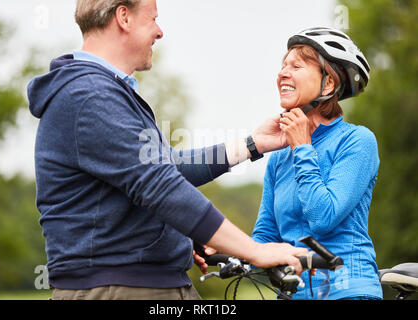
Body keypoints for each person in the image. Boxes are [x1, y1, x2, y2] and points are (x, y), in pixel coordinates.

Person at [27, 0, 307, 300]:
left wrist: (253, 145)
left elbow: (166, 166)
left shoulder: (100, 92)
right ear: (124, 17)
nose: (159, 32)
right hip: (120, 288)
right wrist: (254, 251)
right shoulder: (90, 96)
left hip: (140, 283)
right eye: (153, 19)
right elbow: (161, 185)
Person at [250, 27, 383, 300]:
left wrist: (302, 147)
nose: (282, 73)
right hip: (293, 293)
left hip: (348, 290)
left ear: (328, 84)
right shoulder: (279, 157)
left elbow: (323, 217)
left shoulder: (357, 141)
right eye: (283, 66)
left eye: (296, 66)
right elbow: (265, 235)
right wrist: (226, 247)